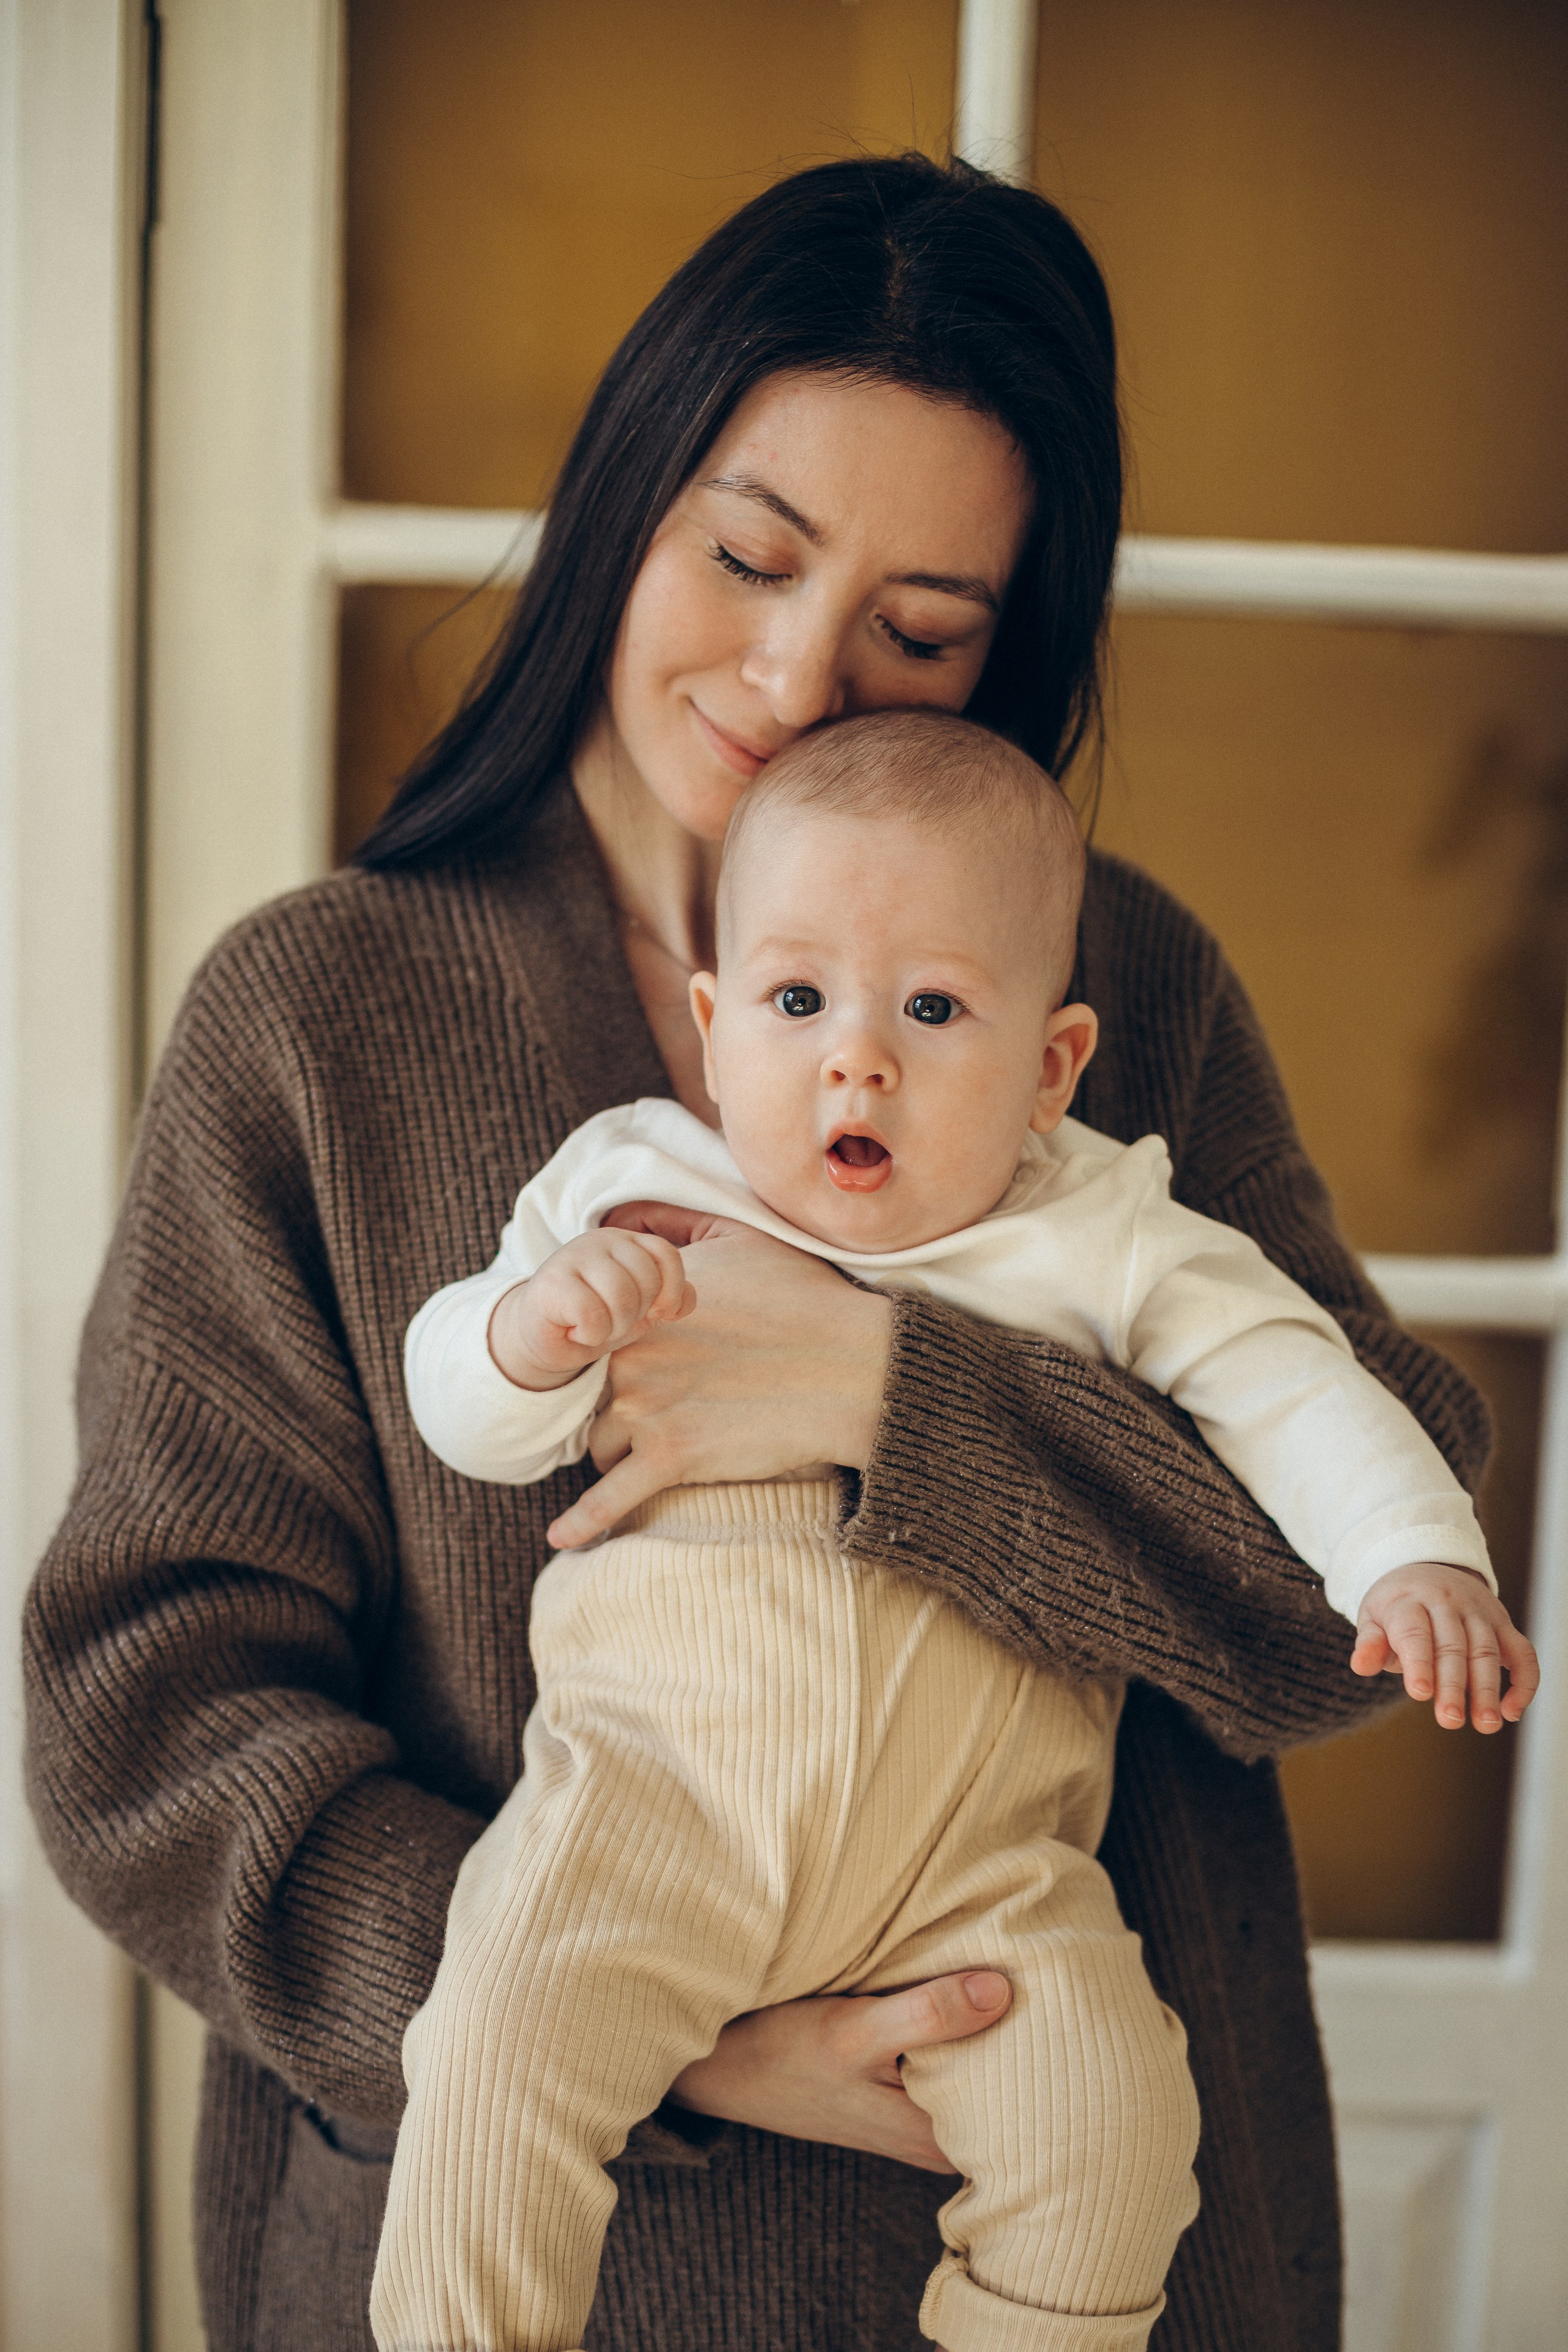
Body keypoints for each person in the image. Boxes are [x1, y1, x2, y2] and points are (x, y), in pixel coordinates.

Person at [22, 154, 1499, 2352]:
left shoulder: (1119, 993)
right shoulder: (321, 1024)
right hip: (555, 2266)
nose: (802, 676)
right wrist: (659, 2037)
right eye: (747, 555)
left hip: (1106, 2241)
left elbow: (1335, 1608)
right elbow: (151, 1715)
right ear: (627, 499)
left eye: (920, 631)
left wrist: (897, 1405)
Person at [371, 712, 1532, 2352]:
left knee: (1115, 2129)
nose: (858, 1059)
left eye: (931, 1009)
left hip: (980, 1877)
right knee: (494, 2046)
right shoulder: (634, 1186)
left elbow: (1292, 1384)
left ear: (1052, 1067)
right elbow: (461, 1410)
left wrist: (1417, 1556)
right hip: (646, 1814)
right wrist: (526, 1335)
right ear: (712, 1029)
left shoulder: (1102, 1227)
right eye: (796, 1003)